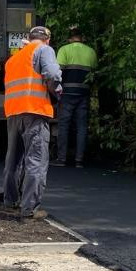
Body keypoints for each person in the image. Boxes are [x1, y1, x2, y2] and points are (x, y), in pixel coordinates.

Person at [1, 26, 61, 220]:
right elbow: (52, 74)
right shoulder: (44, 50)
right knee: (36, 161)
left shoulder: (13, 59)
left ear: (28, 38)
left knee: (13, 160)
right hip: (35, 111)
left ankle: (10, 200)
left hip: (13, 112)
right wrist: (57, 92)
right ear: (47, 40)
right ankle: (29, 209)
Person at [54, 27, 99, 167]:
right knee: (82, 126)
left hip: (67, 93)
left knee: (64, 125)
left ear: (69, 38)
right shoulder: (91, 52)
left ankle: (61, 158)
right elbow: (94, 74)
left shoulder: (64, 50)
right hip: (84, 93)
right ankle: (79, 160)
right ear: (82, 38)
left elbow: (57, 72)